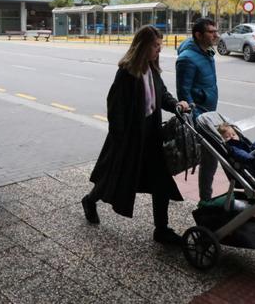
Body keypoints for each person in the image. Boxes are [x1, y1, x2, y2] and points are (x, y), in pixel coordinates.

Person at [81, 25, 190, 245]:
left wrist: (176, 104)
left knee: (161, 181)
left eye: (160, 46)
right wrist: (121, 139)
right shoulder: (126, 73)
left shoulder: (152, 68)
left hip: (152, 133)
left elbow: (162, 95)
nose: (159, 50)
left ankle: (161, 229)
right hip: (129, 137)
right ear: (143, 46)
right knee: (113, 177)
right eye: (156, 46)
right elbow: (115, 108)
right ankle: (90, 200)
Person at [175, 17, 219, 201]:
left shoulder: (207, 52)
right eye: (211, 32)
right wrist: (197, 119)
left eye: (216, 31)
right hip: (200, 116)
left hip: (209, 112)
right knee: (212, 157)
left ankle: (205, 198)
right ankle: (205, 200)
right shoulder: (187, 59)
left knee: (212, 157)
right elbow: (183, 93)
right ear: (198, 35)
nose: (216, 35)